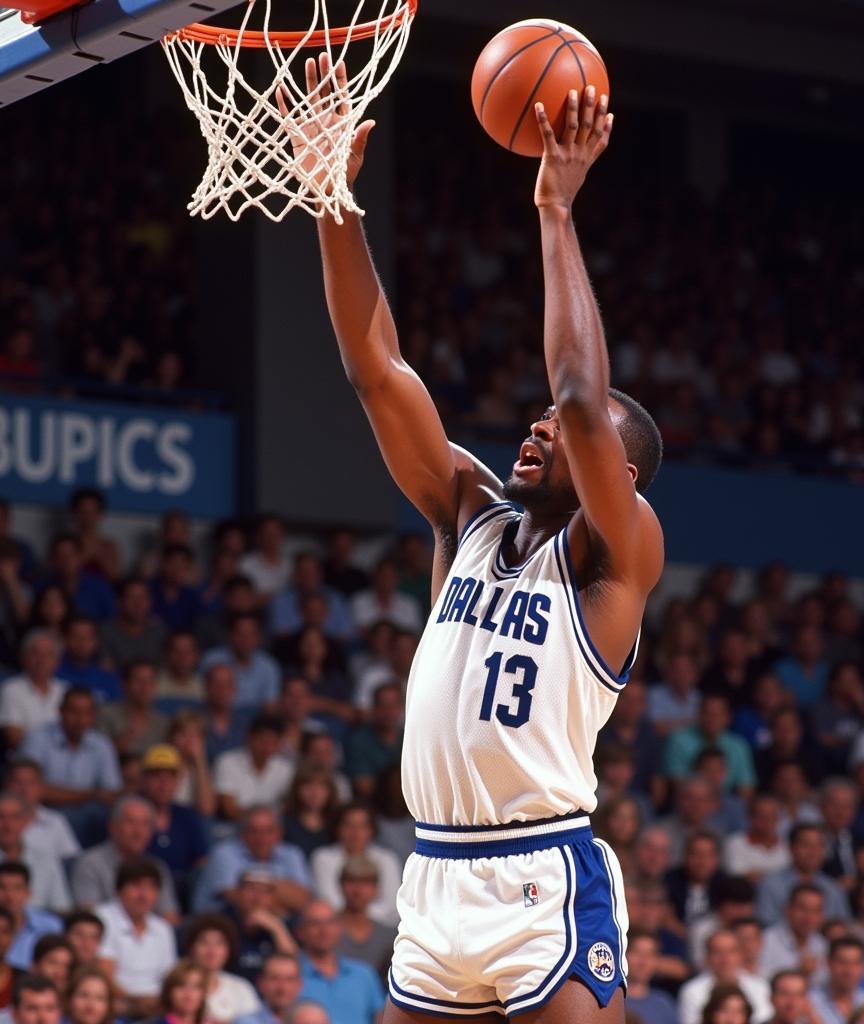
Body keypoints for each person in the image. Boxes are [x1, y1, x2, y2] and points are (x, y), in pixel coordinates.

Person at [284, 69, 661, 1022]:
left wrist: (555, 210)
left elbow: (582, 397)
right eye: (536, 423)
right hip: (436, 870)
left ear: (617, 476)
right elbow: (378, 371)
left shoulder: (618, 554)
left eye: (573, 438)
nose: (542, 429)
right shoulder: (468, 511)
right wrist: (332, 197)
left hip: (543, 874)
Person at [19, 688, 121, 830]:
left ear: (93, 716)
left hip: (89, 813)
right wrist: (91, 794)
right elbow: (31, 789)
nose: (80, 719)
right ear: (60, 711)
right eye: (74, 712)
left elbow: (111, 793)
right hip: (45, 810)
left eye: (87, 713)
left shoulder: (101, 744)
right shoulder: (37, 738)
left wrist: (87, 796)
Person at [69, 796, 179, 922]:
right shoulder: (90, 863)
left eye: (145, 824)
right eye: (131, 822)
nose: (138, 831)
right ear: (112, 827)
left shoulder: (157, 867)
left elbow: (170, 917)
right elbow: (88, 916)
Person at [95, 860, 177, 1020]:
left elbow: (169, 977)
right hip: (117, 1004)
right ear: (118, 890)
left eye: (151, 888)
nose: (144, 895)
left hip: (155, 1006)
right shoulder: (103, 918)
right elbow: (103, 975)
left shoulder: (163, 928)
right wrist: (138, 1001)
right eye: (136, 886)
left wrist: (158, 1003)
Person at [192, 807, 311, 915]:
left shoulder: (292, 853)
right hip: (223, 925)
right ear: (243, 833)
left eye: (269, 831)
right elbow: (239, 899)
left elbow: (303, 899)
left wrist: (257, 888)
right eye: (254, 831)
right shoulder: (224, 853)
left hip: (275, 921)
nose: (262, 838)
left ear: (279, 833)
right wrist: (281, 894)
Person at [310, 803, 401, 929]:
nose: (355, 832)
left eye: (362, 826)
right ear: (338, 828)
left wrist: (358, 915)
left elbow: (392, 908)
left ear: (371, 830)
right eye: (349, 825)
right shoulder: (323, 858)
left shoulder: (387, 859)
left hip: (382, 928)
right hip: (338, 928)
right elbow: (330, 904)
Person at [295, 901, 384, 1024]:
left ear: (339, 928)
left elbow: (380, 1017)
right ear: (301, 931)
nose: (324, 930)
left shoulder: (363, 974)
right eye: (315, 923)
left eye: (330, 923)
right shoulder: (290, 976)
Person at [0, 794, 71, 913]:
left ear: (26, 822)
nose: (7, 825)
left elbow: (61, 909)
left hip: (39, 930)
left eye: (15, 817)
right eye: (0, 817)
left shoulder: (46, 861)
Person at [138, 744, 211, 884]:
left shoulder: (187, 816)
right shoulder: (132, 814)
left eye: (170, 778)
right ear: (144, 779)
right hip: (143, 885)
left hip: (184, 889)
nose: (163, 784)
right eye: (156, 777)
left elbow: (202, 861)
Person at [663, 694, 757, 798]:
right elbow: (677, 783)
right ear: (698, 715)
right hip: (691, 801)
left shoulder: (739, 745)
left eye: (717, 715)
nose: (711, 719)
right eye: (707, 714)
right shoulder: (678, 740)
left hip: (726, 803)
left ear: (727, 718)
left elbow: (746, 787)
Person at [757, 825, 851, 926]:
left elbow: (843, 927)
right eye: (806, 845)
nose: (813, 852)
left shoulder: (834, 889)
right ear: (791, 848)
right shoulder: (770, 884)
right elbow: (765, 925)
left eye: (819, 845)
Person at [0, 631, 67, 751]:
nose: (41, 660)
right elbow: (14, 738)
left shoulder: (66, 691)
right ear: (24, 658)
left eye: (48, 654)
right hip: (25, 762)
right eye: (35, 653)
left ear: (57, 661)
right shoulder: (10, 689)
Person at [678, 930, 771, 1024]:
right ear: (707, 956)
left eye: (731, 951)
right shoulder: (691, 991)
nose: (725, 959)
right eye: (717, 952)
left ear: (741, 955)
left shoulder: (760, 987)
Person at [183, 914, 261, 1023]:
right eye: (204, 943)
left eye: (219, 943)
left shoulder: (241, 988)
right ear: (191, 948)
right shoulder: (179, 986)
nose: (212, 951)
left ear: (229, 950)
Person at [214, 715, 294, 821]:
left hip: (272, 828)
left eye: (273, 742)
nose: (267, 747)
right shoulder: (227, 762)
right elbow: (230, 810)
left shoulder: (286, 768)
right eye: (262, 740)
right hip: (235, 826)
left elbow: (290, 807)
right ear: (250, 738)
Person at [334, 855, 398, 979]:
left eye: (366, 883)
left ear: (376, 889)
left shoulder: (389, 936)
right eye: (351, 881)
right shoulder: (325, 931)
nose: (358, 890)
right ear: (341, 885)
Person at [0, 863, 61, 970]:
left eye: (17, 888)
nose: (9, 896)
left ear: (28, 892)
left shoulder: (51, 926)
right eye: (2, 887)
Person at [201, 615, 282, 709]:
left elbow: (270, 706)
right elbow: (202, 697)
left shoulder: (269, 666)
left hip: (255, 721)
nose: (245, 639)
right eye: (240, 634)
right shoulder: (211, 660)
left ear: (259, 637)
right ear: (230, 636)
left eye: (251, 634)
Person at [759, 885, 828, 988]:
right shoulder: (766, 940)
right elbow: (759, 982)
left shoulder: (822, 945)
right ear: (787, 909)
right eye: (802, 908)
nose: (808, 917)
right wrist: (799, 972)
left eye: (815, 911)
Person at [343, 683, 403, 801]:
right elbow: (363, 786)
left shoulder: (409, 739)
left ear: (402, 707)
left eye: (394, 705)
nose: (389, 711)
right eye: (383, 705)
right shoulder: (359, 740)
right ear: (374, 708)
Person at [96, 659, 167, 757]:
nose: (145, 687)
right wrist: (124, 741)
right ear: (125, 684)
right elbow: (96, 755)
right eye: (138, 680)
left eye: (150, 681)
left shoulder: (163, 722)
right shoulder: (106, 715)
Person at [810, 937, 864, 1024]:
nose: (849, 971)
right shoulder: (811, 1001)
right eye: (842, 962)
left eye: (855, 963)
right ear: (828, 963)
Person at [98, 578, 167, 670]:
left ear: (150, 602)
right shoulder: (105, 632)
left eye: (142, 598)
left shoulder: (160, 631)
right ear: (119, 602)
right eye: (131, 598)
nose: (138, 603)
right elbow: (106, 669)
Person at [723, 794, 790, 882]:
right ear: (750, 818)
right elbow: (737, 877)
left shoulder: (788, 846)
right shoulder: (735, 843)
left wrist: (757, 874)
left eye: (772, 816)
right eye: (762, 816)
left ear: (778, 819)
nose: (768, 821)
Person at [56, 618, 121, 704]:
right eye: (76, 636)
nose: (82, 642)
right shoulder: (52, 671)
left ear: (96, 641)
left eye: (88, 637)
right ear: (65, 639)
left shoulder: (109, 677)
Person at [625, 930, 680, 1024]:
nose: (643, 962)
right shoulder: (609, 1001)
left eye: (650, 955)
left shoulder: (664, 1003)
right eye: (636, 952)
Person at [234, 954, 303, 1024]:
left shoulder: (311, 1020)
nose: (282, 987)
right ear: (260, 983)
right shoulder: (246, 1022)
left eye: (289, 980)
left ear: (300, 984)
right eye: (274, 979)